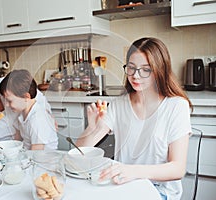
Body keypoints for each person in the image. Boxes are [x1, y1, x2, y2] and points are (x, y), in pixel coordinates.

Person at [76, 37, 192, 200]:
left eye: (145, 70)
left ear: (159, 70)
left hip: (159, 192)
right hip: (123, 186)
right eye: (131, 68)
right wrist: (92, 128)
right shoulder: (119, 104)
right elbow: (79, 152)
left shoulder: (176, 106)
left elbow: (177, 169)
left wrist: (131, 171)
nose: (135, 76)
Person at [0, 69, 58, 150]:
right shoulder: (22, 114)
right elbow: (17, 139)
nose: (6, 105)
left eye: (9, 101)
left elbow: (37, 152)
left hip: (44, 160)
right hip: (28, 155)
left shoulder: (38, 119)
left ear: (26, 97)